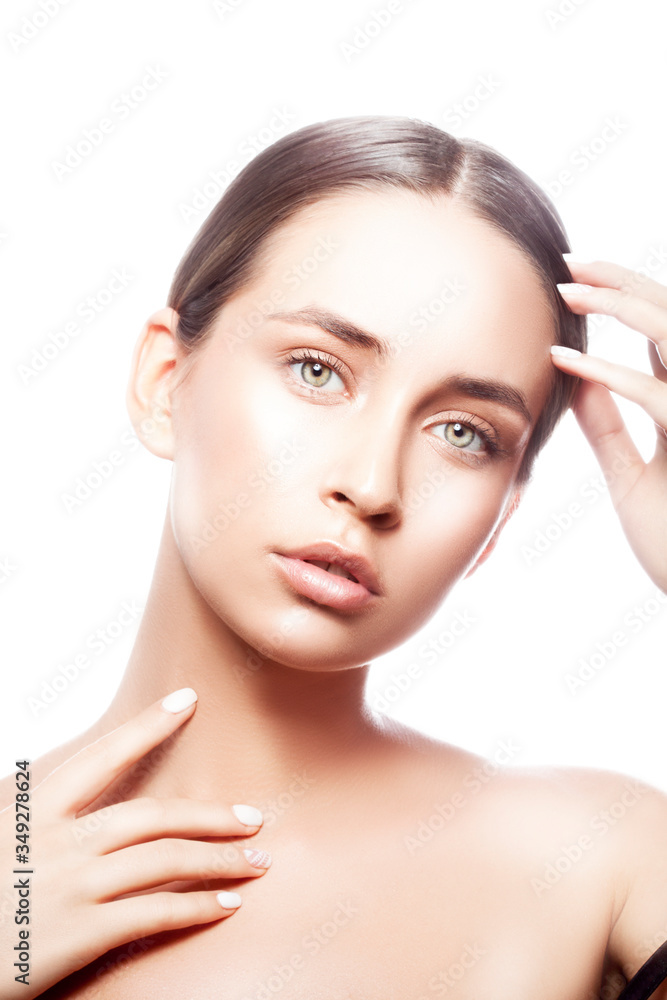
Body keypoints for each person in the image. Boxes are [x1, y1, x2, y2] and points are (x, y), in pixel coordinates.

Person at [2, 115, 666, 999]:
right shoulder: (12, 871)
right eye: (317, 370)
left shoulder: (604, 865)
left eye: (462, 433)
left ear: (501, 519)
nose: (371, 483)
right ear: (166, 383)